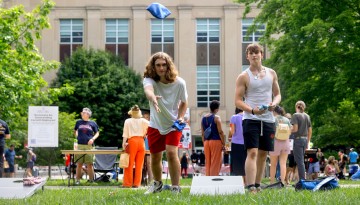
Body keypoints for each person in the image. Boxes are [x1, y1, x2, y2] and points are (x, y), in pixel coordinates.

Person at [234, 43, 281, 192]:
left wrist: (274, 103)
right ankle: (250, 186)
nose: (254, 55)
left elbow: (278, 94)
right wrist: (252, 111)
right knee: (252, 151)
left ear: (262, 54)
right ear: (247, 56)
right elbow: (238, 101)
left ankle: (258, 184)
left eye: (257, 52)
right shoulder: (243, 76)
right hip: (250, 118)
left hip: (268, 119)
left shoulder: (271, 73)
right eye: (251, 53)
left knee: (263, 153)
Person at [143, 52, 188, 194]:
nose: (161, 68)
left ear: (168, 66)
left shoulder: (179, 83)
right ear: (153, 67)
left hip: (173, 124)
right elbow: (148, 90)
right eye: (158, 65)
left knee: (171, 152)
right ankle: (157, 184)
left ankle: (176, 187)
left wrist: (180, 117)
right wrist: (153, 98)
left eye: (164, 65)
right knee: (155, 156)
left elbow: (184, 102)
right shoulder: (149, 80)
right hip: (155, 124)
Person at [122, 105, 149, 188]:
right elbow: (151, 128)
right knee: (139, 165)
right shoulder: (144, 121)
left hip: (132, 141)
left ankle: (128, 183)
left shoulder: (128, 121)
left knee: (129, 164)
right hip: (141, 142)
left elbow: (125, 133)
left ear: (132, 113)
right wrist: (145, 135)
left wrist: (123, 143)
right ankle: (137, 184)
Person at [74, 107, 99, 185]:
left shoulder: (93, 123)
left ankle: (91, 180)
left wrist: (93, 139)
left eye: (83, 113)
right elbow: (75, 130)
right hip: (80, 145)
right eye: (82, 113)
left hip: (89, 146)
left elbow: (97, 133)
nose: (82, 114)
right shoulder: (78, 122)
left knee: (90, 164)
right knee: (79, 163)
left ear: (88, 114)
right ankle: (77, 180)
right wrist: (77, 136)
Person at [201, 100, 225, 176]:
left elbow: (202, 133)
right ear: (216, 109)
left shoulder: (203, 118)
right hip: (215, 141)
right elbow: (220, 132)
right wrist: (223, 143)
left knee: (208, 161)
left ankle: (208, 178)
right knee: (215, 161)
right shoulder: (216, 118)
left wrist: (204, 142)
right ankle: (213, 179)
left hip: (206, 142)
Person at [269, 106, 291, 185]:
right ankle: (282, 182)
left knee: (273, 164)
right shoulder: (287, 120)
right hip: (285, 142)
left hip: (275, 142)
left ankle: (272, 182)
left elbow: (270, 131)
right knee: (283, 163)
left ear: (274, 111)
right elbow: (290, 131)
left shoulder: (273, 119)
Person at [291, 101, 312, 181]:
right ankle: (302, 178)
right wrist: (308, 142)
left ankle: (302, 180)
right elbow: (310, 130)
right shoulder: (307, 116)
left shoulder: (295, 115)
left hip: (298, 139)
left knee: (299, 161)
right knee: (301, 160)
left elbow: (295, 129)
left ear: (296, 106)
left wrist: (287, 131)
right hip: (305, 139)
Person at [228, 108, 247, 182]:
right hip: (246, 143)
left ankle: (241, 181)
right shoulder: (248, 116)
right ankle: (247, 181)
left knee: (237, 163)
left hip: (236, 143)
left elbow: (232, 131)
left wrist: (230, 135)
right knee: (246, 161)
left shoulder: (234, 117)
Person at [143, 111, 153, 184]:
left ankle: (151, 180)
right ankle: (143, 179)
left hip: (148, 148)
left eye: (147, 117)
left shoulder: (151, 125)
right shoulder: (141, 125)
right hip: (141, 147)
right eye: (144, 117)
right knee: (143, 164)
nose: (145, 119)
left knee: (149, 163)